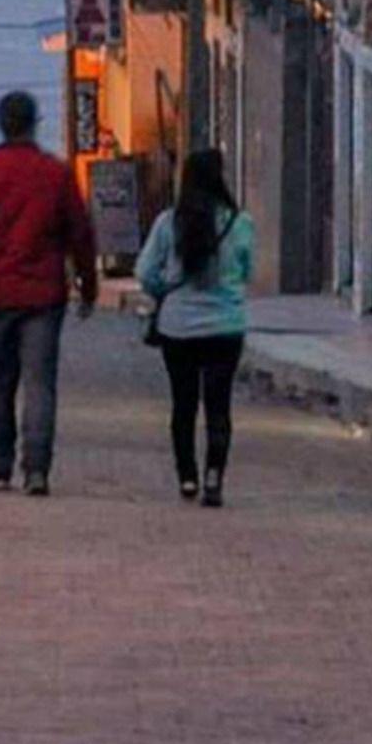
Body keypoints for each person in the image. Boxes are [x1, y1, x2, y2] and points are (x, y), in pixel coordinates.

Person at [0, 90, 99, 497]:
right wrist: (87, 284)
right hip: (44, 296)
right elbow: (80, 234)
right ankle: (37, 470)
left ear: (0, 123)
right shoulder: (56, 175)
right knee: (39, 383)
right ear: (34, 123)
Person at [136, 147, 254, 508]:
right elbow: (246, 272)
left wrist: (165, 291)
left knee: (183, 405)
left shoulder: (168, 223)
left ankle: (187, 477)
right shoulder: (240, 223)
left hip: (178, 328)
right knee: (219, 406)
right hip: (225, 329)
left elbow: (144, 273)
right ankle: (214, 476)